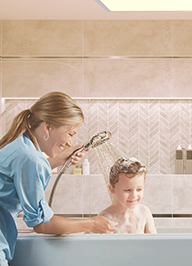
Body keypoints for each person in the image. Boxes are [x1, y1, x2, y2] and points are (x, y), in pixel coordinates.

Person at [0, 91, 117, 266]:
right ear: (48, 128)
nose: (70, 142)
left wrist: (58, 160)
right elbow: (42, 225)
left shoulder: (19, 146)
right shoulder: (31, 159)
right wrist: (92, 224)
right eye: (71, 133)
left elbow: (21, 175)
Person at [99, 157, 157, 234]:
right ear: (112, 189)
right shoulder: (105, 218)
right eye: (127, 190)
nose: (134, 195)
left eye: (139, 189)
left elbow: (154, 242)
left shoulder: (144, 212)